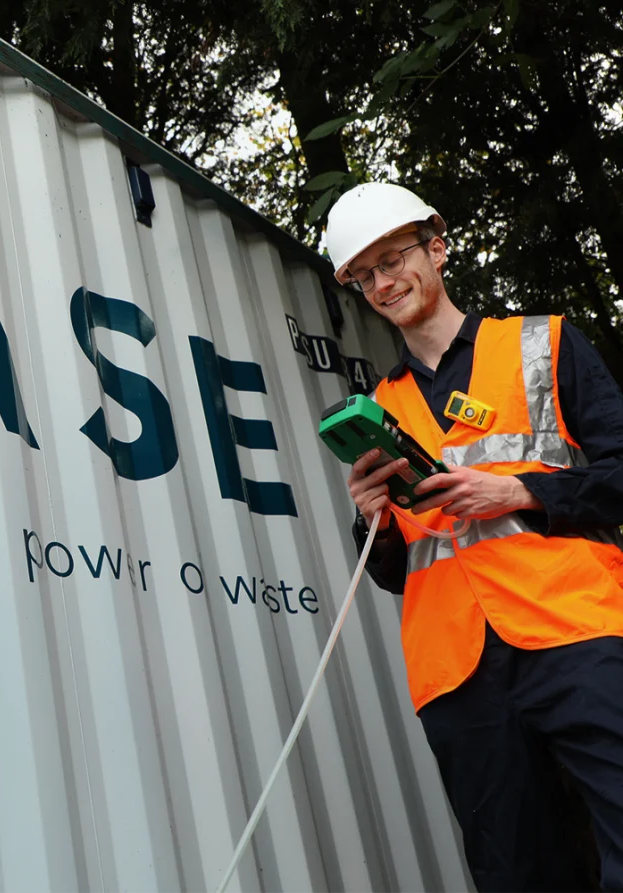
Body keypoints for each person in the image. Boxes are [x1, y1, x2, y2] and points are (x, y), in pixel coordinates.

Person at [326, 182, 623, 893]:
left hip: (574, 630)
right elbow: (395, 568)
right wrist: (372, 520)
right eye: (363, 276)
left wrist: (522, 490)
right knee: (515, 873)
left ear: (437, 246)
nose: (383, 283)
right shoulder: (380, 407)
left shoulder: (542, 343)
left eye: (392, 259)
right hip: (454, 671)